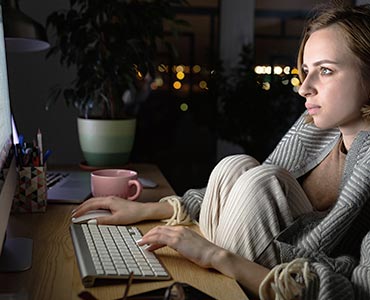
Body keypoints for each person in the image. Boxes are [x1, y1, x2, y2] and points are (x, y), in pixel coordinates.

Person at [72, 2, 370, 299]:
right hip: (261, 255)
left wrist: (217, 256)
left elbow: (358, 291)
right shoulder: (316, 127)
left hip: (290, 282)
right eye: (305, 71)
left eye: (326, 71)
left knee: (262, 180)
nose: (304, 87)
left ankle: (209, 287)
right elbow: (243, 191)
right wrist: (149, 209)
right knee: (237, 165)